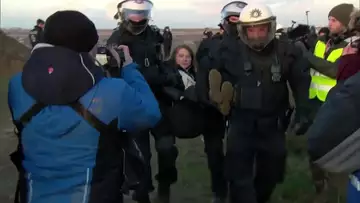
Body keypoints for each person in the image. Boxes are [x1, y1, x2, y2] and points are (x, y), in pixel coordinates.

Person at [8, 10, 161, 203]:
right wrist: (128, 67)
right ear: (87, 47)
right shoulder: (112, 91)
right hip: (94, 195)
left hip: (32, 195)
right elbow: (151, 113)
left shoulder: (17, 86)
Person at [207, 3, 310, 203]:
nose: (256, 35)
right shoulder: (229, 51)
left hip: (273, 124)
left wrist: (303, 112)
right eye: (251, 30)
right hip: (241, 123)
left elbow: (301, 82)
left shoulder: (286, 51)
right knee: (238, 176)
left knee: (271, 173)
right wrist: (215, 99)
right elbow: (210, 77)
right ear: (243, 30)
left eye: (261, 29)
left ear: (270, 27)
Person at [107, 1, 181, 202]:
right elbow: (112, 77)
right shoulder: (115, 40)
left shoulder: (156, 36)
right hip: (133, 105)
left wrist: (170, 77)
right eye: (133, 14)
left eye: (142, 14)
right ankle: (142, 195)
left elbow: (164, 63)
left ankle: (164, 186)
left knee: (167, 149)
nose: (138, 18)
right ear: (124, 15)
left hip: (159, 101)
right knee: (140, 156)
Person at [301, 3, 355, 199]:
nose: (329, 24)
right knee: (314, 145)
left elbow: (334, 70)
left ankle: (338, 189)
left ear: (346, 23)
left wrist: (306, 56)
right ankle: (319, 184)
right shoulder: (324, 42)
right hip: (316, 100)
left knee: (333, 149)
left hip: (337, 104)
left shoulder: (350, 47)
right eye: (329, 20)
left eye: (334, 20)